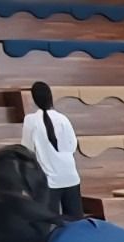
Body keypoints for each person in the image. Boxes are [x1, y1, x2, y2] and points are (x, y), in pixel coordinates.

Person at [23, 81, 83, 220]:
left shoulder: (31, 120)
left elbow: (27, 149)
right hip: (70, 176)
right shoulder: (63, 119)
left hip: (48, 180)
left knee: (48, 222)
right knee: (76, 222)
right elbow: (72, 146)